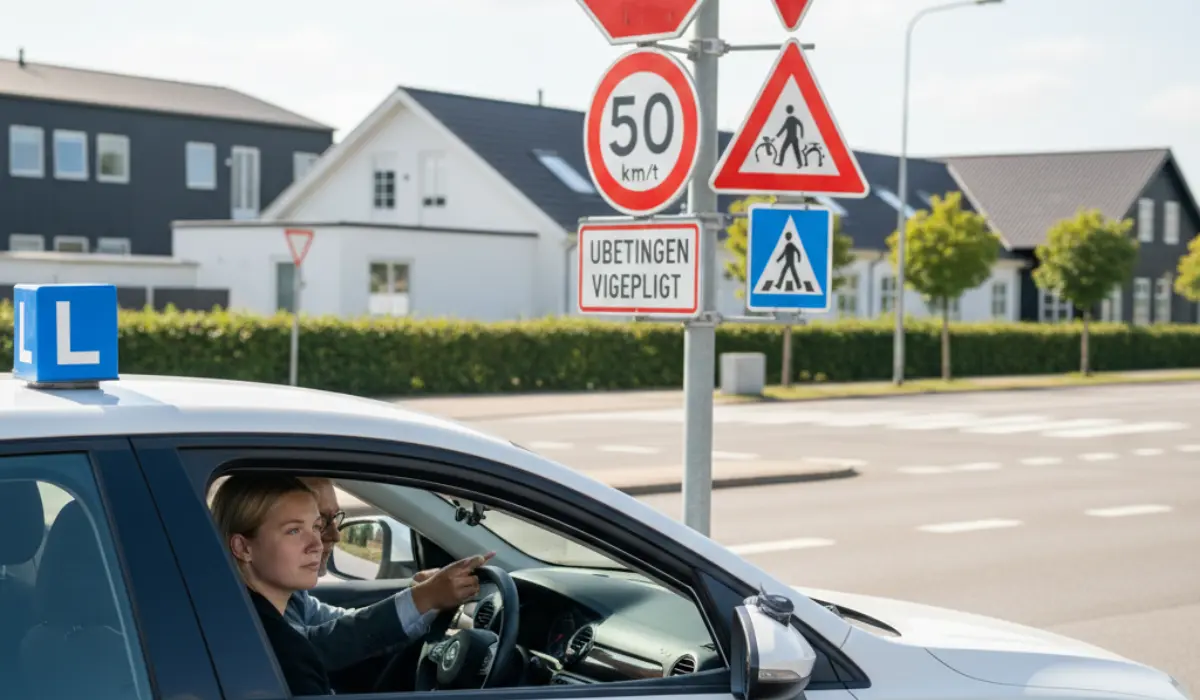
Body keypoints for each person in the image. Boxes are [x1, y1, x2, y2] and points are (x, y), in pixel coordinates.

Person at [288, 477, 493, 673]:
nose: (336, 536)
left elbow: (339, 625)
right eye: (319, 523)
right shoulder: (269, 616)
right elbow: (318, 647)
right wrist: (426, 596)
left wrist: (420, 593)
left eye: (331, 520)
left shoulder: (294, 597)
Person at [210, 473, 333, 696]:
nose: (317, 544)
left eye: (316, 527)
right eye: (294, 531)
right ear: (243, 548)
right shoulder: (283, 654)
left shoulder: (229, 617)